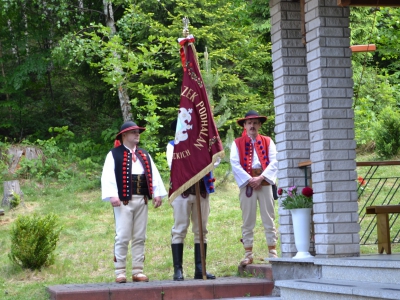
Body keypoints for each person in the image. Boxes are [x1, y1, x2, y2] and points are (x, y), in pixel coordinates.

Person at [101, 120, 167, 283]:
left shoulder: (144, 154)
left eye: (138, 132)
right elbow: (108, 175)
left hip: (142, 199)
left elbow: (154, 174)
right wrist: (112, 195)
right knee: (123, 235)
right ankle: (120, 272)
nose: (137, 134)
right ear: (124, 135)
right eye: (133, 132)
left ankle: (138, 270)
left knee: (139, 235)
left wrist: (156, 193)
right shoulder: (114, 154)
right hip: (123, 201)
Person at [166, 120, 217, 281]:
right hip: (182, 193)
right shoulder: (172, 145)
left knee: (201, 231)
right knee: (179, 229)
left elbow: (216, 160)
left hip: (201, 191)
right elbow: (173, 165)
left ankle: (200, 269)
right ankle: (178, 270)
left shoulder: (202, 145)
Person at [230, 110, 279, 266]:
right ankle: (248, 253)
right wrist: (249, 179)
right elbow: (234, 163)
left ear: (259, 125)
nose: (252, 125)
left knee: (269, 217)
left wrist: (262, 177)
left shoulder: (268, 141)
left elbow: (275, 161)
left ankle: (272, 252)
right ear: (244, 125)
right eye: (249, 123)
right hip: (248, 184)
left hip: (264, 182)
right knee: (247, 219)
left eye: (255, 123)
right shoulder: (237, 143)